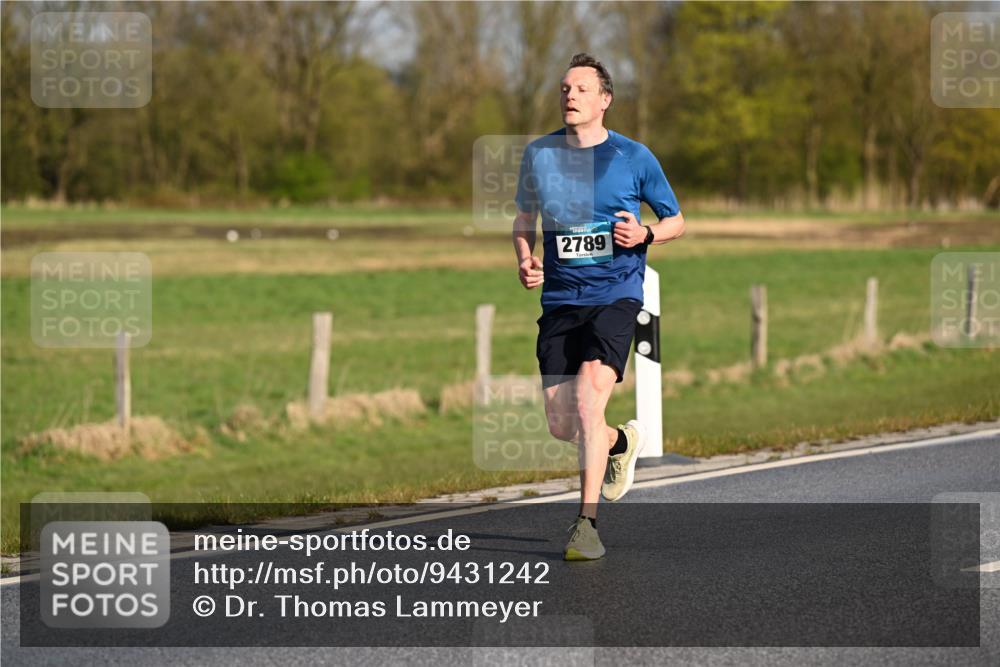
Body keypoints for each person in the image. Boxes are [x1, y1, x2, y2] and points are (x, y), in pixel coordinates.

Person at [511, 53, 685, 561]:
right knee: (562, 424)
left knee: (588, 402)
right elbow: (524, 219)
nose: (570, 96)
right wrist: (526, 258)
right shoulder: (539, 154)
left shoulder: (634, 157)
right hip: (561, 298)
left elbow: (676, 219)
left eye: (582, 89)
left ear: (604, 99)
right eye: (565, 88)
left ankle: (585, 525)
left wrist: (647, 232)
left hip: (616, 294)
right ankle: (616, 443)